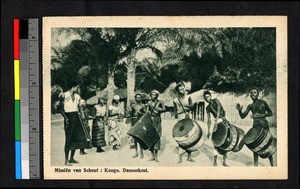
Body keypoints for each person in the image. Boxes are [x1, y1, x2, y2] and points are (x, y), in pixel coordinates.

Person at [235, 88, 274, 166]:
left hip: (264, 124)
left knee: (267, 144)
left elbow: (271, 113)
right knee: (254, 144)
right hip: (256, 126)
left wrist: (259, 115)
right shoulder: (250, 106)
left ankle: (272, 164)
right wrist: (239, 110)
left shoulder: (263, 103)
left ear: (258, 94)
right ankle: (255, 165)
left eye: (255, 92)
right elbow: (243, 116)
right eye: (251, 93)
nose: (253, 94)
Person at [59, 80, 90, 165]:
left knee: (76, 138)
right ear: (73, 87)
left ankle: (72, 158)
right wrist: (65, 118)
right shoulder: (64, 95)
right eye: (77, 87)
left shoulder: (77, 96)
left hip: (76, 117)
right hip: (69, 117)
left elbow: (80, 107)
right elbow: (60, 109)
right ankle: (66, 160)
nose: (78, 88)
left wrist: (82, 115)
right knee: (68, 139)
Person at [203, 90, 228, 166]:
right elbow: (209, 120)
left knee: (226, 140)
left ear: (211, 96)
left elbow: (219, 111)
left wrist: (217, 121)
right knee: (215, 140)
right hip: (217, 121)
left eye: (208, 96)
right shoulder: (207, 108)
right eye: (206, 97)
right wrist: (208, 131)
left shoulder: (216, 100)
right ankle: (215, 161)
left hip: (224, 118)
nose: (208, 98)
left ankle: (224, 161)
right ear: (205, 99)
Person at [173, 82, 195, 164]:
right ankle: (180, 158)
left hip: (188, 117)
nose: (183, 90)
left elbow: (192, 107)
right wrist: (178, 114)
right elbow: (175, 112)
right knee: (181, 137)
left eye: (183, 88)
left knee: (190, 137)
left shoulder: (188, 97)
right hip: (180, 118)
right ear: (178, 91)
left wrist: (186, 108)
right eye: (180, 89)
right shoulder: (175, 100)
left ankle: (189, 157)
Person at [148, 90, 165, 163]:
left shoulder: (160, 102)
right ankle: (152, 156)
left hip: (157, 120)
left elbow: (164, 109)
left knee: (157, 137)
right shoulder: (149, 103)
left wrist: (160, 110)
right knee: (150, 137)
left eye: (154, 95)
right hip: (150, 120)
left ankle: (156, 156)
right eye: (152, 95)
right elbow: (147, 112)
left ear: (157, 96)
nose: (153, 96)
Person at [128, 93, 147, 158]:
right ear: (135, 98)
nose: (138, 98)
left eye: (139, 97)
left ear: (141, 98)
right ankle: (136, 152)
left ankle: (141, 153)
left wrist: (140, 113)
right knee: (135, 138)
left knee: (140, 137)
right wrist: (129, 111)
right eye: (137, 97)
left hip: (140, 121)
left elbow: (145, 114)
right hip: (134, 122)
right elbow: (130, 114)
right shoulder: (133, 105)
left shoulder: (143, 105)